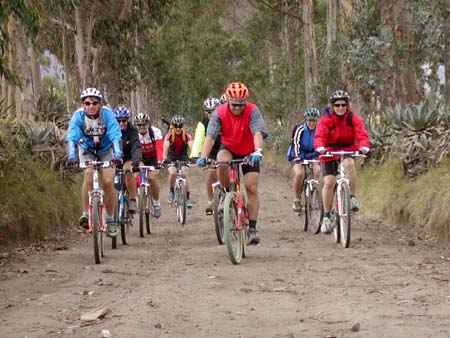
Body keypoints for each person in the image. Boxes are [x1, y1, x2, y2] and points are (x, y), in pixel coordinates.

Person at [197, 82, 268, 246]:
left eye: (240, 104)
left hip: (249, 150)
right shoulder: (219, 113)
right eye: (234, 104)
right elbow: (210, 137)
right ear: (228, 100)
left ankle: (252, 228)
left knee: (251, 187)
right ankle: (225, 195)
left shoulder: (252, 110)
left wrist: (258, 151)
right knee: (221, 162)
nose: (237, 108)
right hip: (228, 147)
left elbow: (257, 131)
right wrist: (203, 156)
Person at [66, 88, 123, 237]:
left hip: (106, 150)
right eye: (87, 102)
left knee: (108, 181)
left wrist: (117, 155)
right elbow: (72, 137)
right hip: (87, 150)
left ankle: (110, 220)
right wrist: (72, 157)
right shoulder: (78, 116)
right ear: (83, 105)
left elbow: (115, 135)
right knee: (89, 176)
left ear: (100, 104)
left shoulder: (107, 114)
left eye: (95, 102)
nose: (91, 105)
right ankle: (85, 213)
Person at [314, 90, 370, 234]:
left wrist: (364, 146)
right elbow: (319, 135)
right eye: (337, 105)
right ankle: (326, 216)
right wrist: (320, 147)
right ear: (332, 106)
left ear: (347, 105)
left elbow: (361, 133)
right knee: (329, 183)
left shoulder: (353, 118)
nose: (340, 108)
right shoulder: (326, 119)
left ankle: (351, 197)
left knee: (349, 164)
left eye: (343, 104)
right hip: (328, 152)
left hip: (347, 149)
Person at [190, 97, 221, 214]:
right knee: (212, 173)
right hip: (211, 150)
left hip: (226, 149)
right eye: (209, 112)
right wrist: (195, 155)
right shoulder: (203, 123)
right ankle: (210, 201)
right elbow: (198, 139)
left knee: (227, 171)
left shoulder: (224, 118)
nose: (211, 114)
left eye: (214, 111)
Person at [289, 108, 321, 213]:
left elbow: (322, 143)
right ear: (306, 120)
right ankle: (297, 199)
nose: (312, 123)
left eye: (314, 121)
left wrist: (321, 155)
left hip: (313, 154)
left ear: (317, 120)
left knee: (317, 171)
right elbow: (295, 144)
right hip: (298, 154)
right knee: (299, 173)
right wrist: (298, 157)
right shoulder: (300, 129)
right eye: (309, 120)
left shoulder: (320, 130)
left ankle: (316, 198)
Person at [134, 113, 163, 218]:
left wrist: (159, 161)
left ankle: (156, 204)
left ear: (148, 124)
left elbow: (159, 148)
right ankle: (136, 198)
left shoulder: (155, 132)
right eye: (139, 125)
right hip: (141, 157)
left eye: (144, 124)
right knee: (135, 175)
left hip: (153, 158)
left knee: (151, 178)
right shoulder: (134, 133)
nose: (141, 127)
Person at [113, 106, 141, 214]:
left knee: (127, 171)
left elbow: (136, 147)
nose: (121, 123)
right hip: (113, 158)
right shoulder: (109, 129)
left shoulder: (132, 130)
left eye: (124, 120)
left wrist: (135, 162)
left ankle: (132, 200)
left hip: (127, 158)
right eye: (118, 120)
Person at [162, 115, 194, 208]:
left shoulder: (187, 134)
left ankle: (188, 198)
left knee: (184, 173)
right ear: (173, 126)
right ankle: (171, 191)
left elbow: (192, 145)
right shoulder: (169, 134)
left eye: (180, 126)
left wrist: (194, 156)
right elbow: (165, 147)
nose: (178, 128)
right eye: (176, 126)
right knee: (172, 173)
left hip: (183, 156)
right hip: (171, 156)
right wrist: (164, 157)